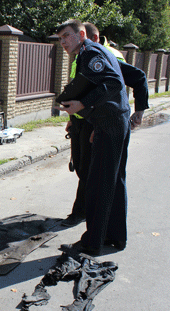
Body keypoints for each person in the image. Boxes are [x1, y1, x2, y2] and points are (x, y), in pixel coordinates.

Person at [62, 22, 149, 228]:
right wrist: (72, 118)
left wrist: (139, 110)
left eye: (67, 36)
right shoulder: (82, 55)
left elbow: (128, 80)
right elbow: (81, 88)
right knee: (84, 170)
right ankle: (94, 222)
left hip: (102, 121)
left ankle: (89, 222)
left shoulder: (104, 54)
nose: (64, 42)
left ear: (88, 38)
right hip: (83, 120)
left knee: (99, 178)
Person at [56, 19, 131, 256]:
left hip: (111, 123)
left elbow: (112, 83)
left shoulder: (90, 52)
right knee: (114, 182)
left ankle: (93, 242)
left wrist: (81, 103)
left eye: (67, 36)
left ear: (81, 34)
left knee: (99, 184)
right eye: (60, 39)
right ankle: (115, 237)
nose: (63, 42)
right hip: (112, 122)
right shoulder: (94, 52)